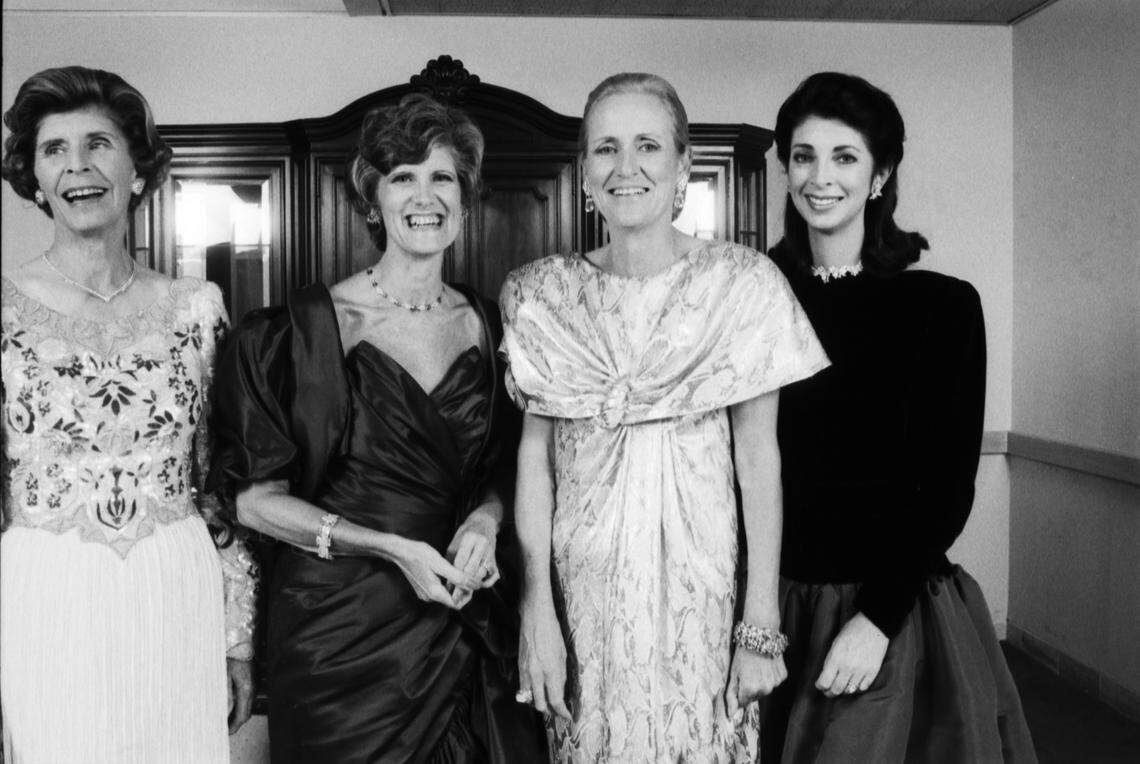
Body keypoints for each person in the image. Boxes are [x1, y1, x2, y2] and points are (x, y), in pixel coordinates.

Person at [500, 72, 829, 762]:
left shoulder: (742, 284)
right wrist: (538, 611)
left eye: (648, 146)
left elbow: (758, 460)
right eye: (605, 148)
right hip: (583, 596)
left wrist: (759, 626)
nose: (626, 167)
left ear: (683, 166)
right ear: (584, 171)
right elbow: (535, 460)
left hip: (699, 593)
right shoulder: (539, 294)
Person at [209, 92, 545, 762]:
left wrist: (484, 519)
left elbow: (512, 465)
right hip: (340, 639)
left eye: (442, 176)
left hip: (465, 624)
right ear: (373, 199)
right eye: (403, 177)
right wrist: (392, 549)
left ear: (466, 194)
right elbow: (253, 500)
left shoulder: (499, 324)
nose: (425, 196)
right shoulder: (293, 334)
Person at [760, 71, 1037, 762]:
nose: (820, 177)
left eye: (844, 157)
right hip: (774, 605)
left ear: (880, 175)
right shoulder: (751, 296)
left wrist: (876, 621)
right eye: (803, 156)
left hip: (897, 607)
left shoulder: (940, 307)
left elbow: (946, 486)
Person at [0, 65, 256, 763]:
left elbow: (219, 485)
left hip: (174, 590)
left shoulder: (197, 307)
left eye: (98, 145)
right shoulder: (3, 311)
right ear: (34, 177)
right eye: (54, 150)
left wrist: (237, 637)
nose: (77, 167)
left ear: (138, 170)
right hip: (45, 595)